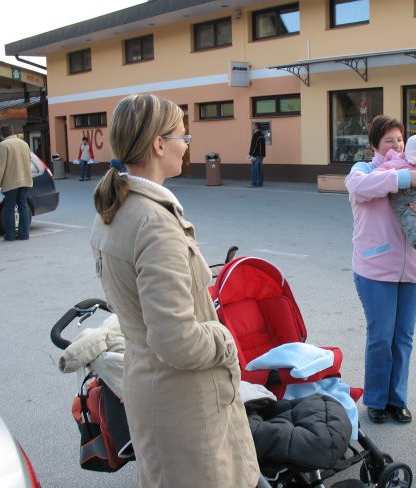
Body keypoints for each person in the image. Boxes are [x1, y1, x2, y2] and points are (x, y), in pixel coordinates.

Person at [90, 93, 259, 487]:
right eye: (184, 136)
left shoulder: (116, 209)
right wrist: (224, 339)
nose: (187, 145)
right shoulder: (153, 222)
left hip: (152, 388)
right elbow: (176, 340)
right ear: (158, 144)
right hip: (185, 404)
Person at [345, 115, 416, 425]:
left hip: (415, 270)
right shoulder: (366, 170)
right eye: (389, 140)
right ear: (375, 143)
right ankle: (376, 400)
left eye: (400, 139)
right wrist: (405, 180)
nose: (397, 145)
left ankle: (397, 400)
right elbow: (358, 188)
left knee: (403, 338)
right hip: (375, 269)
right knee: (381, 337)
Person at [0, 124, 32, 241]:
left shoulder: (3, 145)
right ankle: (24, 234)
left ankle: (10, 235)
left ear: (2, 135)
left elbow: (0, 167)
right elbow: (29, 160)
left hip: (11, 182)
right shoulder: (24, 143)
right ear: (13, 132)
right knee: (23, 207)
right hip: (25, 180)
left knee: (9, 208)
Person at [248, 123, 265, 187]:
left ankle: (254, 183)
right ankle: (260, 183)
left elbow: (254, 146)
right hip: (261, 154)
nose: (252, 127)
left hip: (256, 154)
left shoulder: (256, 134)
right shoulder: (261, 134)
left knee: (254, 169)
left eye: (253, 126)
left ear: (256, 127)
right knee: (260, 169)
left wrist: (250, 154)